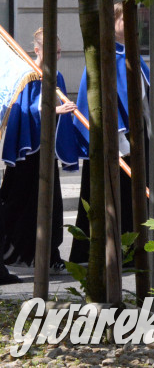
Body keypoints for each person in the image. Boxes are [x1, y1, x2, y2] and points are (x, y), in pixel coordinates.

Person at [69, 2, 150, 265]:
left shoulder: (133, 57)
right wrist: (117, 140)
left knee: (132, 200)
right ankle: (101, 254)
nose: (132, 25)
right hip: (117, 144)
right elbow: (93, 103)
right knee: (109, 199)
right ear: (113, 23)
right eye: (126, 19)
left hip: (139, 141)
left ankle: (133, 250)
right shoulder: (104, 58)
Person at [0, 28, 79, 271]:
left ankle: (48, 254)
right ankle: (10, 250)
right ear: (37, 50)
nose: (57, 56)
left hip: (47, 149)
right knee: (16, 201)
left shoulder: (57, 77)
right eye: (52, 52)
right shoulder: (27, 75)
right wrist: (56, 110)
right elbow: (29, 109)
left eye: (59, 52)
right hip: (28, 151)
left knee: (48, 204)